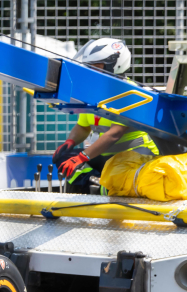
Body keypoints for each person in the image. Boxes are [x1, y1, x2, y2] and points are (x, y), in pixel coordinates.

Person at [52, 38, 159, 193]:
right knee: (63, 158)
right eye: (89, 67)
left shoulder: (130, 92)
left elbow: (115, 134)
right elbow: (83, 126)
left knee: (110, 173)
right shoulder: (94, 92)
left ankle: (105, 187)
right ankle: (96, 183)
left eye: (97, 67)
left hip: (136, 155)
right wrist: (70, 141)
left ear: (115, 64)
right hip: (108, 156)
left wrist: (82, 157)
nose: (92, 72)